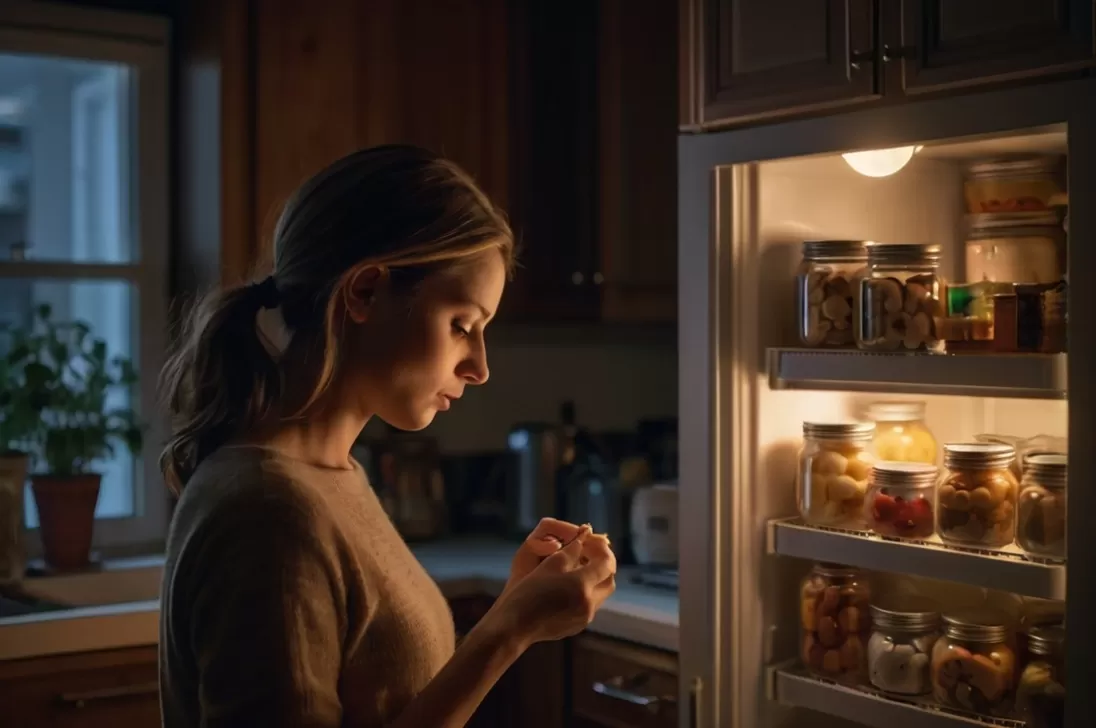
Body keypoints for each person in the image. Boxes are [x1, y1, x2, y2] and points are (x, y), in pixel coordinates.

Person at [157, 145, 617, 728]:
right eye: (461, 325)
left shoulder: (330, 477)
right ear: (366, 292)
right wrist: (507, 632)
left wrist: (512, 607)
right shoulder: (268, 511)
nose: (479, 367)